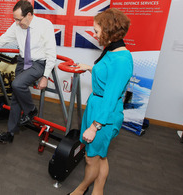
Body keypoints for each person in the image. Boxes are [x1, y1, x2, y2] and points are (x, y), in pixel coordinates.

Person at [0, 0, 56, 143]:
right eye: (15, 19)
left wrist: (45, 76)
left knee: (17, 85)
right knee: (16, 98)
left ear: (29, 15)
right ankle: (10, 133)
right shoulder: (16, 26)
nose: (17, 23)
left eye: (19, 19)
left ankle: (31, 110)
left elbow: (51, 53)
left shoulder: (45, 25)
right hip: (22, 61)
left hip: (39, 63)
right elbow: (0, 41)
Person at [69, 8, 133, 195]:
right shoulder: (111, 50)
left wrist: (94, 126)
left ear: (109, 31)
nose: (94, 34)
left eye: (97, 31)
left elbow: (111, 97)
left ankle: (81, 188)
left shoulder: (121, 59)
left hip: (105, 114)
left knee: (91, 158)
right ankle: (98, 189)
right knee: (100, 155)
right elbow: (107, 77)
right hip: (97, 106)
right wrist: (89, 68)